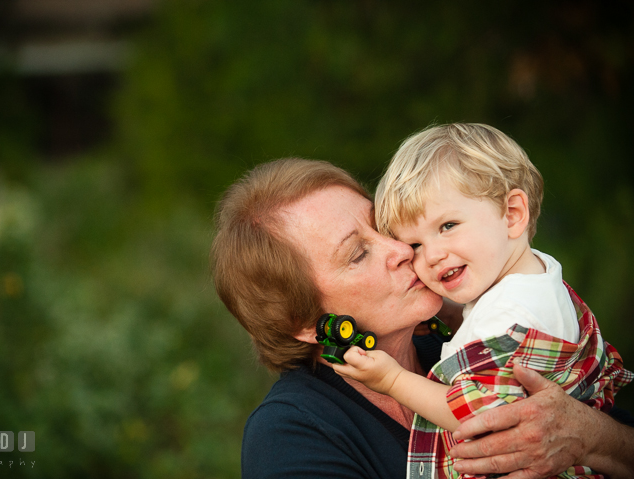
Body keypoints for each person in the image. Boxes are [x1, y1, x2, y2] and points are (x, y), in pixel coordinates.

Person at [209, 157, 634, 479]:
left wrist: (591, 436)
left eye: (386, 228)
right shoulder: (290, 434)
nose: (401, 251)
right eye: (358, 253)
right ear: (302, 321)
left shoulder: (468, 337)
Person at [331, 124, 633, 478]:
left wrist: (392, 381)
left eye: (448, 226)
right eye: (415, 245)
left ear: (513, 214)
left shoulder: (509, 314)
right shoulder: (536, 277)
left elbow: (476, 414)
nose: (431, 256)